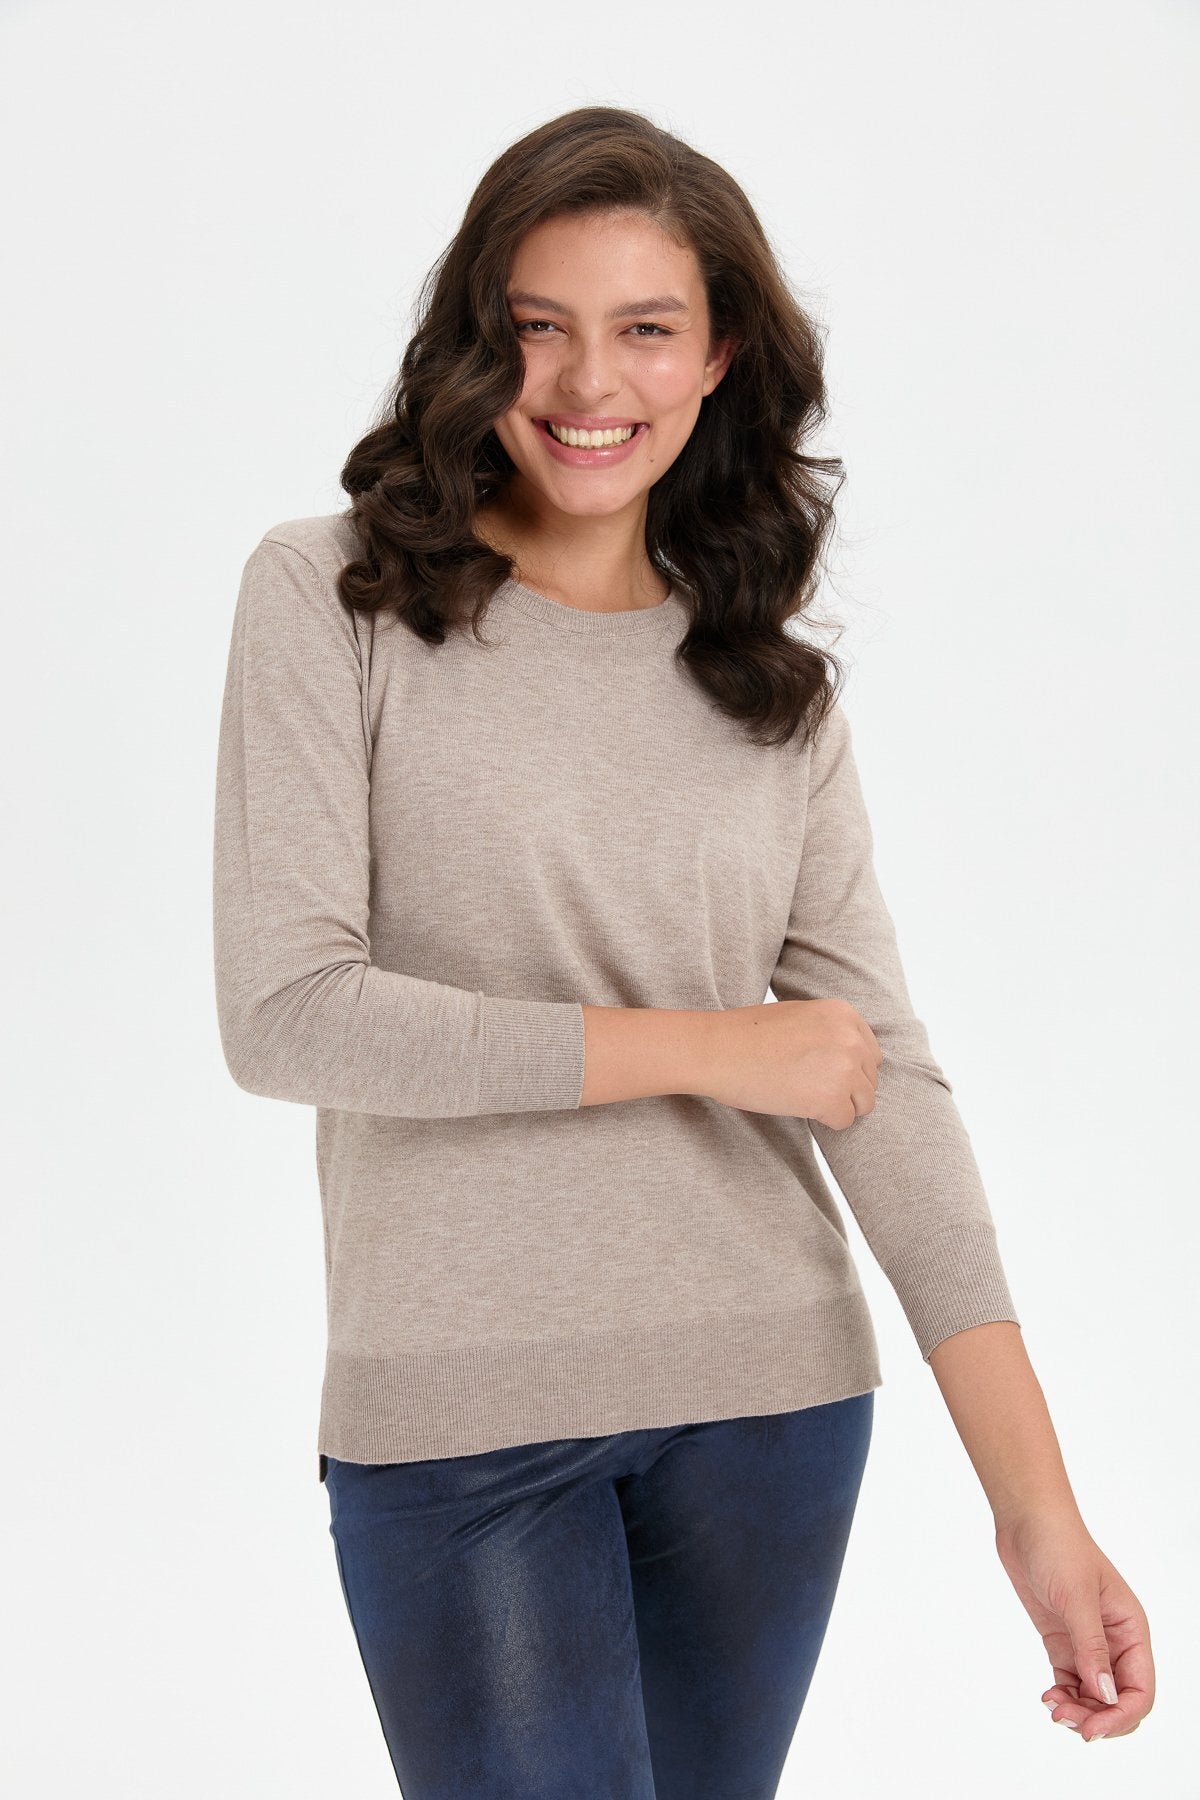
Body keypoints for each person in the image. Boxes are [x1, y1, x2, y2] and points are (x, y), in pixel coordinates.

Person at [212, 105, 1154, 1797]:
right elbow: (292, 1016)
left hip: (769, 1401)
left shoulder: (766, 681)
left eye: (646, 329)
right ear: (475, 339)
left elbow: (885, 1079)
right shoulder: (330, 598)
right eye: (539, 325)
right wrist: (715, 1045)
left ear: (720, 356)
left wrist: (1039, 1512)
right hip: (458, 1414)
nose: (591, 383)